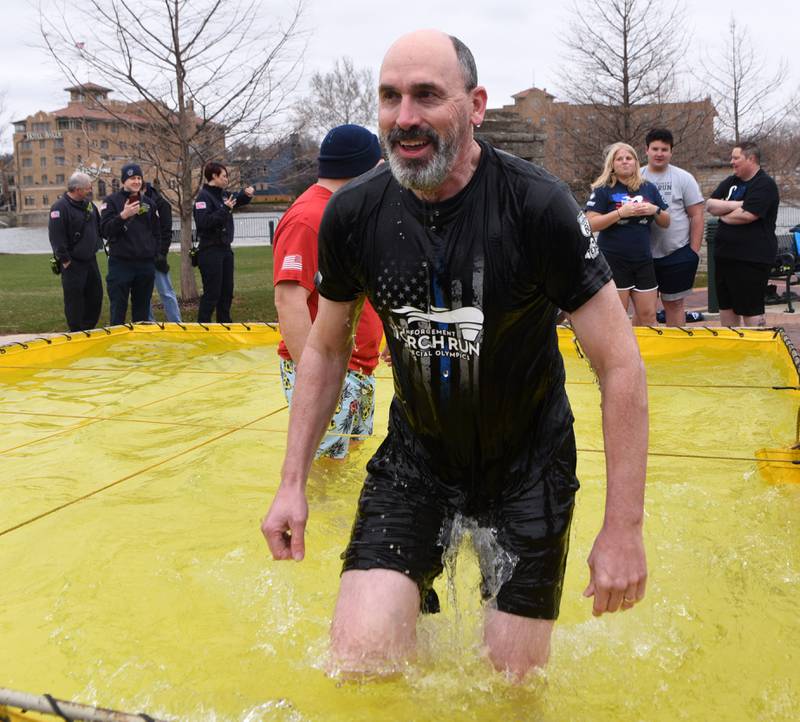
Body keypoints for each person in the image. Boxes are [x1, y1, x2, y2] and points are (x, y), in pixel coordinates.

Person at [261, 30, 648, 680]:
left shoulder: (536, 206)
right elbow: (325, 352)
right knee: (359, 664)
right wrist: (292, 483)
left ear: (474, 105)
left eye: (426, 96)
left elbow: (621, 364)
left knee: (509, 686)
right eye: (390, 97)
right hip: (417, 464)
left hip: (528, 468)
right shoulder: (354, 214)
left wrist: (623, 528)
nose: (404, 117)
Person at [273, 124, 384, 460]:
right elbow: (288, 298)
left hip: (357, 365)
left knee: (349, 461)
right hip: (327, 370)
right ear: (362, 168)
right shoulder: (309, 218)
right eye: (380, 169)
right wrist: (314, 379)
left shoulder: (344, 210)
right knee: (324, 471)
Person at [584, 142, 670, 325]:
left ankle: (641, 352)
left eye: (629, 158)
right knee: (617, 319)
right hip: (614, 261)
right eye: (619, 159)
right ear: (612, 164)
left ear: (636, 162)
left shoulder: (648, 188)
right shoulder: (603, 190)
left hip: (643, 260)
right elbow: (589, 224)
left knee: (648, 316)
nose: (625, 162)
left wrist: (654, 209)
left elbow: (666, 222)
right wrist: (619, 214)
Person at [706, 141, 779, 327]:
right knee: (726, 309)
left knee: (750, 311)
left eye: (735, 158)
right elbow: (710, 205)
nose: (731, 162)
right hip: (724, 257)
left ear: (751, 159)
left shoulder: (764, 184)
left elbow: (746, 216)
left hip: (751, 260)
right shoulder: (731, 182)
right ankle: (732, 352)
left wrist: (724, 214)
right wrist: (737, 204)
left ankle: (755, 353)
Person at [640, 129, 704, 326]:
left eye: (664, 149)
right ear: (646, 150)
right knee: (645, 309)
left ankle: (676, 351)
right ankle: (642, 353)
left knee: (674, 305)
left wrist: (692, 251)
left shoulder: (684, 178)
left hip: (676, 253)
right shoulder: (636, 176)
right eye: (655, 149)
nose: (660, 153)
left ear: (671, 152)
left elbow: (697, 215)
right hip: (642, 255)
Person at [193, 162, 254, 323]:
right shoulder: (203, 197)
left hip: (225, 250)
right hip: (210, 250)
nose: (227, 179)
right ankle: (203, 326)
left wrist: (246, 195)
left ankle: (225, 324)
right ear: (214, 176)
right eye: (224, 176)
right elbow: (204, 222)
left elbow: (236, 200)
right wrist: (224, 210)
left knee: (227, 292)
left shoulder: (223, 195)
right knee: (212, 293)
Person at [100, 163, 160, 325]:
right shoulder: (111, 202)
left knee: (142, 314)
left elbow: (156, 232)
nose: (136, 181)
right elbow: (105, 231)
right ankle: (117, 346)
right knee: (118, 309)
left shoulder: (149, 203)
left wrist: (155, 254)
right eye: (132, 178)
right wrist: (123, 216)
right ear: (124, 181)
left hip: (145, 265)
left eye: (139, 178)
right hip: (121, 264)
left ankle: (139, 347)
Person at [47, 172, 103, 332]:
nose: (91, 189)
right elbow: (56, 237)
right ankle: (77, 331)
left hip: (90, 260)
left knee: (95, 296)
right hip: (72, 263)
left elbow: (99, 227)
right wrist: (65, 260)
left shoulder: (89, 205)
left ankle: (89, 327)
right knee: (75, 299)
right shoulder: (59, 207)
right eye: (88, 187)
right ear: (77, 189)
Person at [143, 179, 182, 323]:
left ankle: (176, 322)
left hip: (156, 255)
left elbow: (166, 232)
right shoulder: (133, 203)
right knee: (143, 293)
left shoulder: (161, 204)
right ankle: (148, 322)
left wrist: (162, 254)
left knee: (166, 291)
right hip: (141, 255)